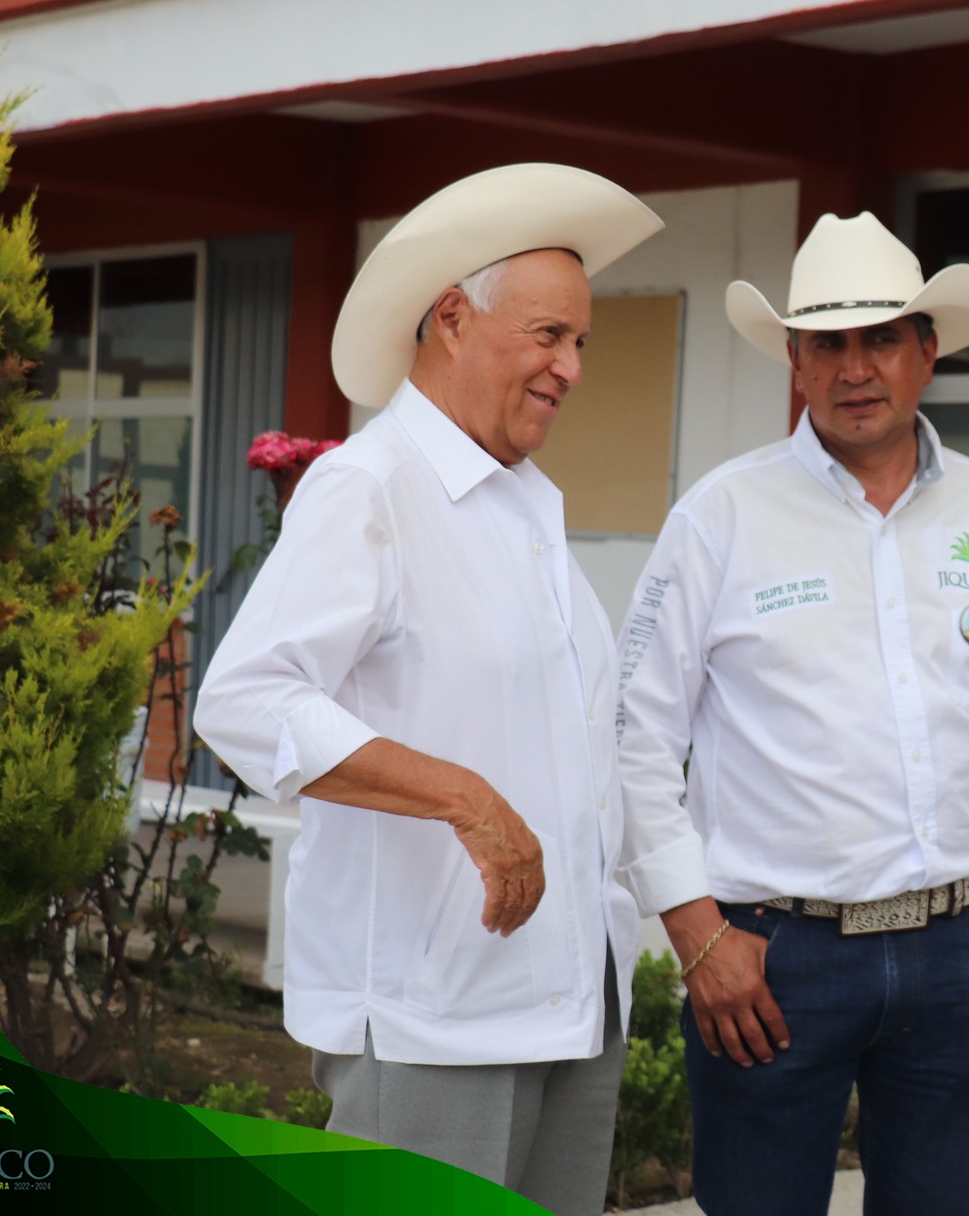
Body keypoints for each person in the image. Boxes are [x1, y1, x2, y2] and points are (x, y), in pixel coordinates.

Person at [193, 165, 663, 1211]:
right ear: (452, 317)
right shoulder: (371, 484)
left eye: (579, 342)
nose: (570, 367)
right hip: (433, 1020)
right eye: (548, 336)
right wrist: (468, 801)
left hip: (566, 1002)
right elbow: (247, 698)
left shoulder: (522, 503)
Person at [613, 212, 969, 1216]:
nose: (853, 366)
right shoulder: (720, 514)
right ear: (793, 359)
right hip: (772, 964)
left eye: (880, 338)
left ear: (927, 351)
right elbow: (633, 735)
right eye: (826, 342)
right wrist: (698, 933)